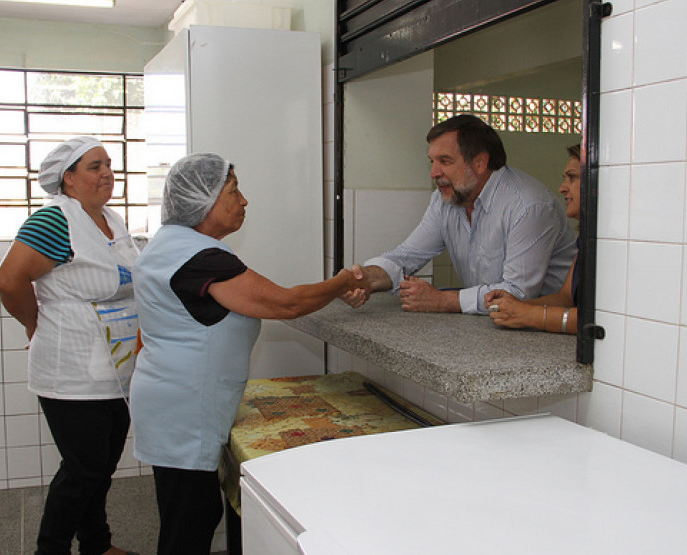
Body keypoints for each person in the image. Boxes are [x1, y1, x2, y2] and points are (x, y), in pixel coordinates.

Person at [130, 153, 368, 555]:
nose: (244, 200)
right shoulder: (200, 259)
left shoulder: (170, 246)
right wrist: (344, 280)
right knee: (188, 523)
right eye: (233, 190)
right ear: (203, 202)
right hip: (183, 408)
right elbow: (286, 304)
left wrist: (332, 289)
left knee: (192, 512)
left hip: (169, 399)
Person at [0, 136, 139, 555]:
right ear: (69, 179)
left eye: (109, 164)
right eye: (94, 166)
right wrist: (33, 321)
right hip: (71, 370)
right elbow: (9, 280)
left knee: (101, 467)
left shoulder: (111, 219)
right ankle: (51, 549)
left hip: (115, 366)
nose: (107, 173)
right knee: (82, 470)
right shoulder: (55, 220)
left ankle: (97, 544)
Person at [343, 114, 576, 315]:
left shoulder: (528, 205)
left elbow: (518, 293)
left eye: (445, 161)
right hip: (497, 326)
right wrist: (364, 279)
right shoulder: (446, 200)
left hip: (549, 336)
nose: (434, 172)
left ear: (480, 163)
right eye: (432, 161)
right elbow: (407, 256)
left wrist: (444, 301)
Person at [484, 144, 582, 334]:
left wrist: (530, 315)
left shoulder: (619, 244)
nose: (562, 188)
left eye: (572, 177)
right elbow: (565, 298)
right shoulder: (588, 241)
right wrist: (513, 306)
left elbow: (603, 321)